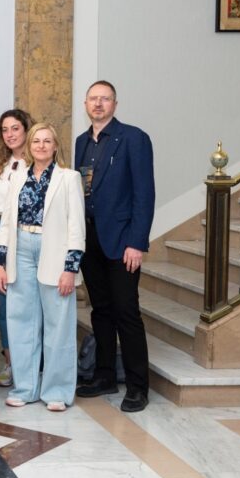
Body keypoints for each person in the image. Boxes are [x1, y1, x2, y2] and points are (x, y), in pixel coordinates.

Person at [74, 80, 155, 413]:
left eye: (104, 99)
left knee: (126, 312)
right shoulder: (81, 142)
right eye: (93, 99)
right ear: (85, 104)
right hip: (89, 239)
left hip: (122, 241)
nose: (98, 104)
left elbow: (144, 194)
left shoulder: (133, 138)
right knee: (101, 311)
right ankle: (105, 375)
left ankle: (137, 387)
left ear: (115, 105)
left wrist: (137, 242)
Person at [0, 123, 85, 412]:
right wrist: (0, 263)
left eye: (47, 141)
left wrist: (70, 268)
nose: (41, 146)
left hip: (54, 251)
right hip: (20, 248)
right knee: (21, 322)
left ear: (55, 146)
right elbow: (6, 222)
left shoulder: (69, 178)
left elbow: (76, 226)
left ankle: (57, 391)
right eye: (36, 141)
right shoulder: (17, 177)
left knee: (59, 324)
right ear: (29, 146)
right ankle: (25, 388)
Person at [0, 108, 34, 388]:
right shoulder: (0, 166)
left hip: (28, 232)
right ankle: (10, 363)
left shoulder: (38, 162)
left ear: (27, 129)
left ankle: (33, 361)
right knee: (5, 300)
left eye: (15, 128)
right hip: (1, 230)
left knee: (30, 300)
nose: (10, 134)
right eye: (5, 130)